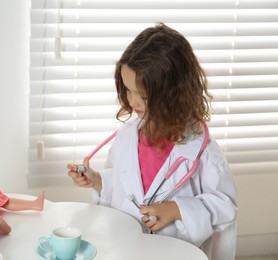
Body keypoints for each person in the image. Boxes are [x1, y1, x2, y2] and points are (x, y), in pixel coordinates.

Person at [67, 23, 237, 260]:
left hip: (174, 252)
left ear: (173, 95)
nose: (133, 101)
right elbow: (125, 186)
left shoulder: (204, 153)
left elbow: (224, 207)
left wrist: (178, 210)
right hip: (127, 248)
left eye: (143, 96)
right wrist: (98, 181)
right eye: (127, 89)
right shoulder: (126, 137)